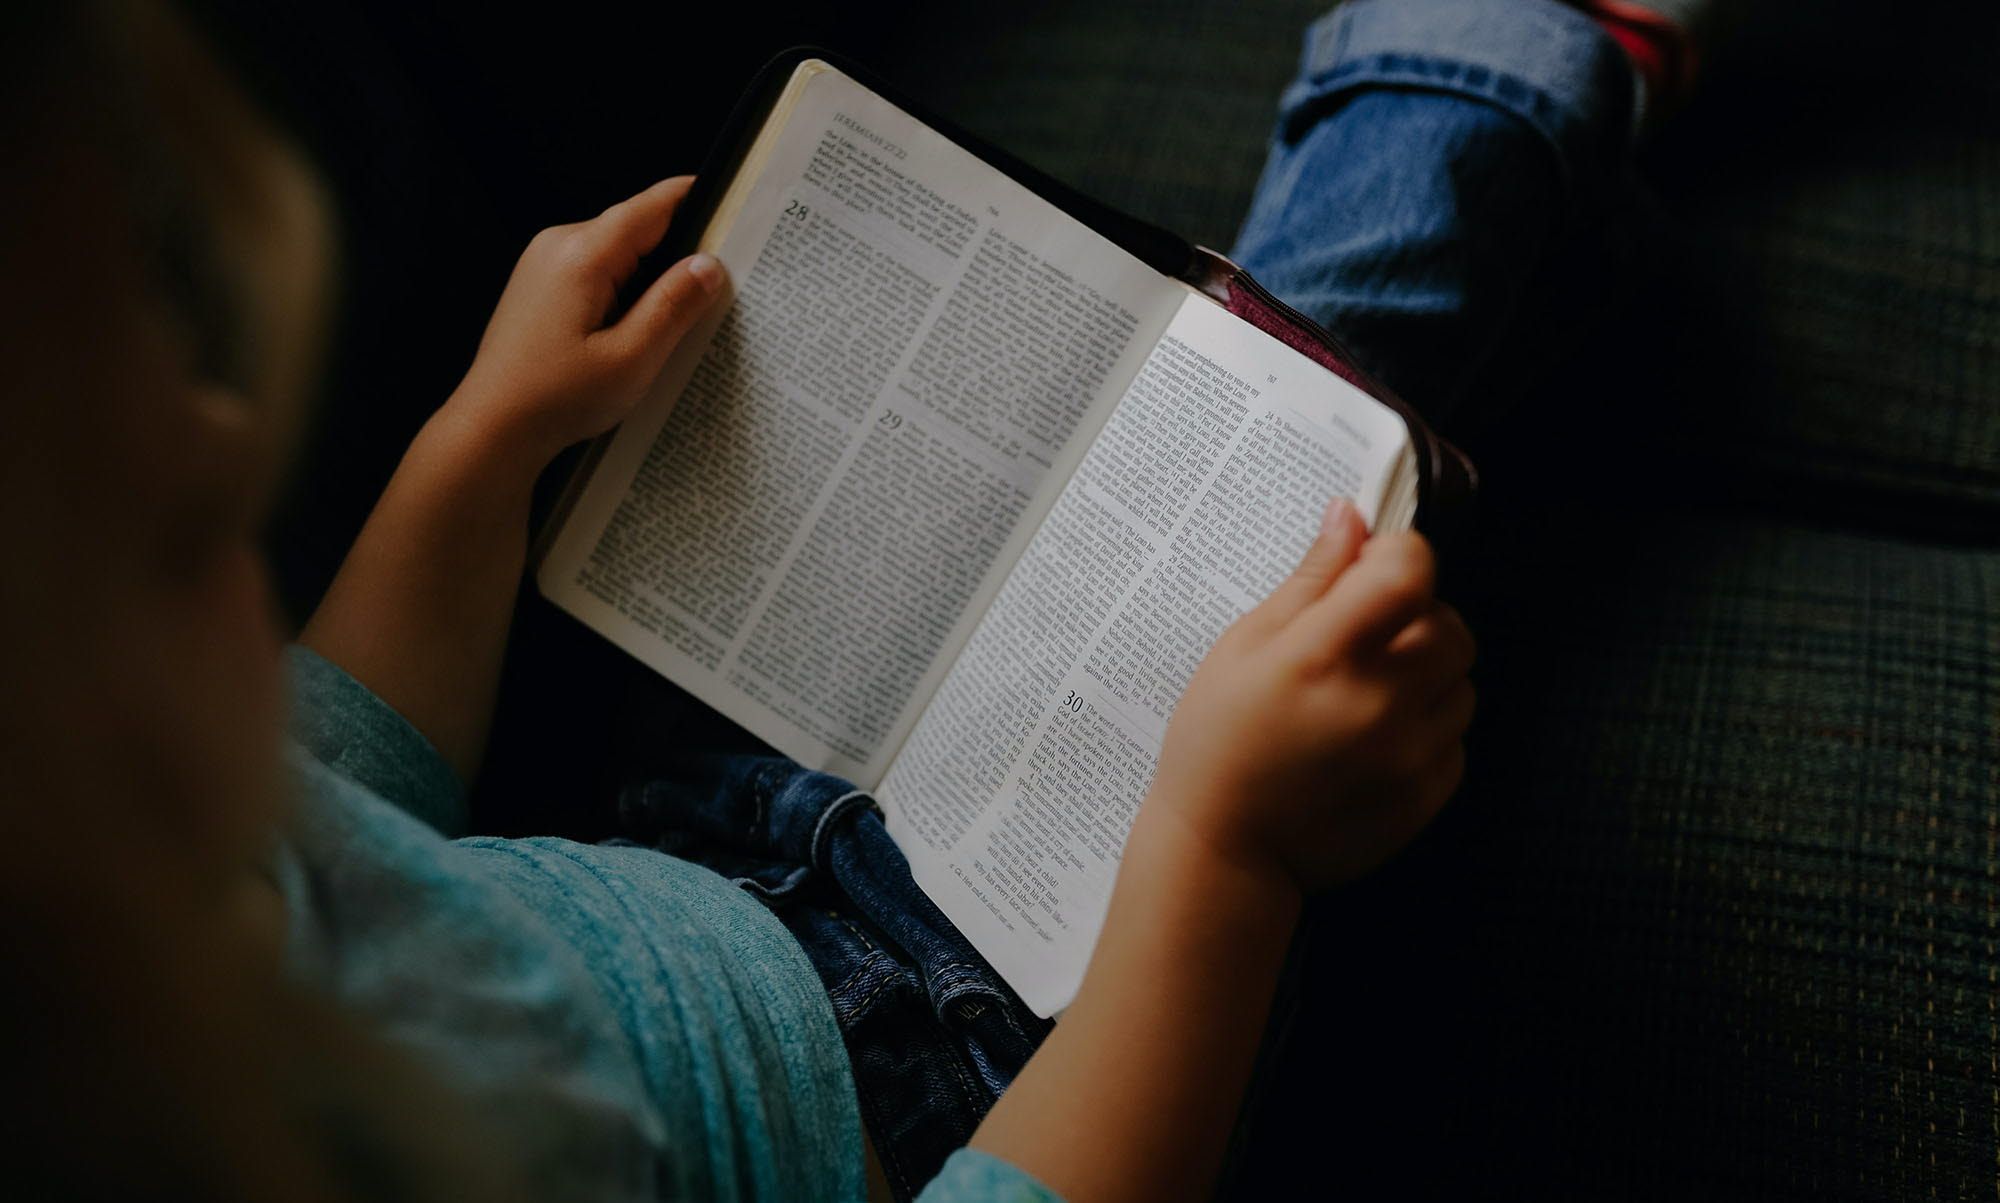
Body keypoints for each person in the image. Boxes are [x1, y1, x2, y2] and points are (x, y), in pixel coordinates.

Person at [0, 0, 1695, 1198]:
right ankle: (1516, 50)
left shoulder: (142, 863)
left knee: (1181, 421)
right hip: (963, 1059)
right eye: (192, 530)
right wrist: (1222, 856)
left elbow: (349, 768)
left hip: (689, 825)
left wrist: (483, 448)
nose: (242, 460)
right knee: (1320, 426)